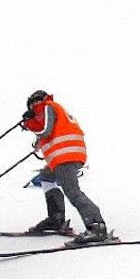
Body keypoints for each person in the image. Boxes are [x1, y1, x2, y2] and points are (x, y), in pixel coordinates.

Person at [21, 90, 108, 243]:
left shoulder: (48, 106)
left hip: (65, 156)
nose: (34, 111)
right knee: (46, 177)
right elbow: (47, 132)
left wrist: (29, 124)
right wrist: (36, 138)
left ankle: (96, 226)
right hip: (65, 156)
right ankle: (56, 218)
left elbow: (45, 130)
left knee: (72, 190)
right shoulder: (54, 109)